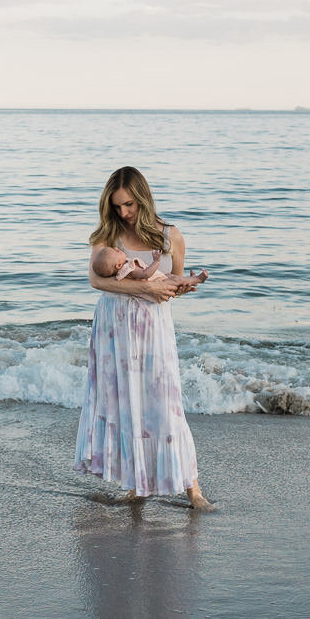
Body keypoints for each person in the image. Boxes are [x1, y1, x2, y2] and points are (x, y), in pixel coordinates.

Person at [74, 166, 215, 510]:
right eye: (117, 206)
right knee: (128, 404)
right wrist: (144, 286)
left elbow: (176, 283)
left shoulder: (171, 236)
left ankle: (192, 488)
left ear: (143, 199)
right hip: (114, 327)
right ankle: (136, 484)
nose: (124, 213)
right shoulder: (107, 235)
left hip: (154, 327)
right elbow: (96, 280)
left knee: (165, 403)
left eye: (130, 205)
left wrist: (177, 286)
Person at [90, 244, 209, 291]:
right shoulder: (129, 269)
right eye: (116, 251)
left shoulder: (123, 267)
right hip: (157, 282)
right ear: (118, 265)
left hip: (158, 280)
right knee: (175, 279)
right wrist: (156, 261)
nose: (117, 248)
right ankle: (198, 279)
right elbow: (146, 274)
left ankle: (190, 279)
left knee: (174, 277)